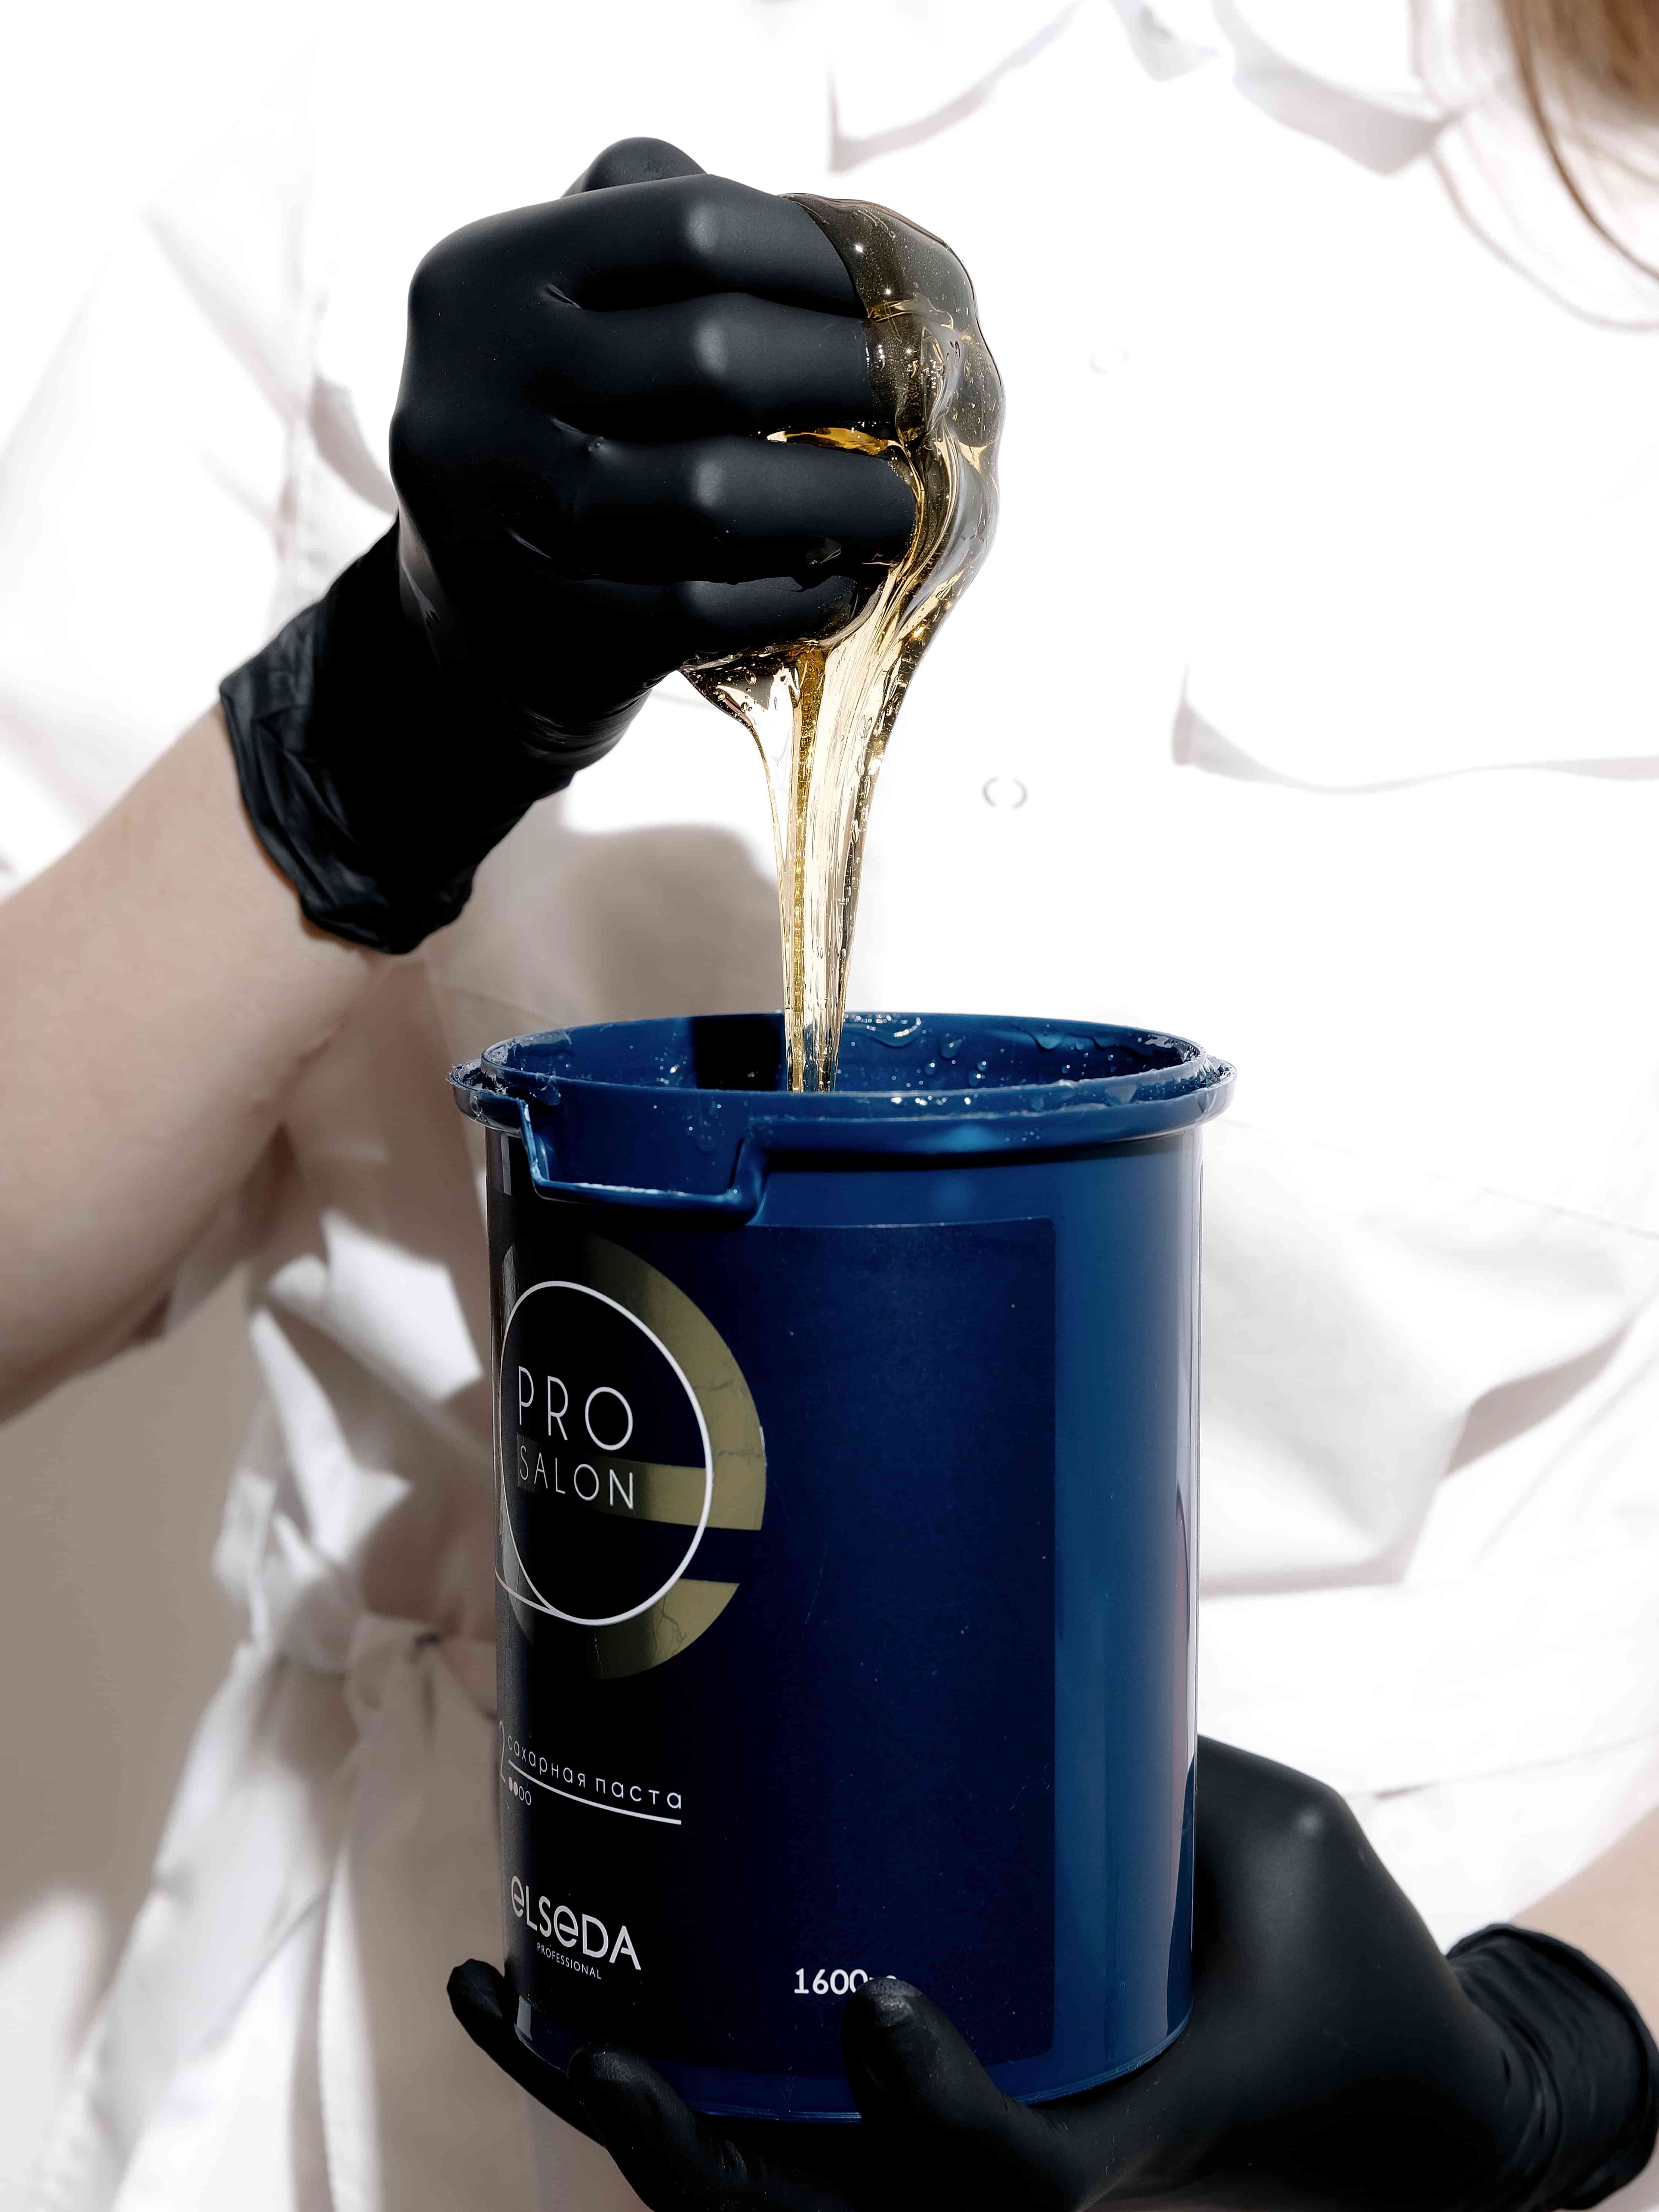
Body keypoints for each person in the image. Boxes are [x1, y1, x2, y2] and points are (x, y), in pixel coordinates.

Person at [2, 1, 1659, 2205]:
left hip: (1397, 2058)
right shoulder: (422, 90)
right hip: (444, 2085)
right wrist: (378, 710)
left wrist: (1560, 2041)